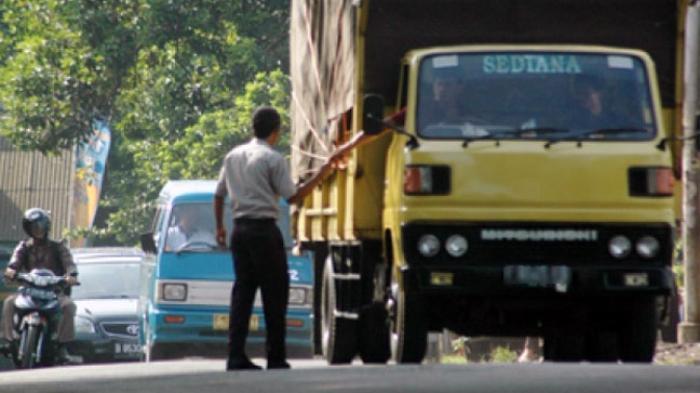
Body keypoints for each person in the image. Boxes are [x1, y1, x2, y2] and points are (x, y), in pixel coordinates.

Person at [214, 106, 340, 371]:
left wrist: (220, 228)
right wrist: (324, 172)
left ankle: (235, 355)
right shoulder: (272, 159)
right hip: (263, 231)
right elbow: (293, 196)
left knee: (243, 293)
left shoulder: (232, 156)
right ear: (275, 132)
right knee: (275, 293)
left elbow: (219, 194)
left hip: (239, 230)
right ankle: (275, 356)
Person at [0, 208, 79, 361]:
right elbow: (14, 263)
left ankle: (62, 346)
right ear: (27, 228)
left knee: (69, 306)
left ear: (47, 227)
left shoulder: (58, 247)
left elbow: (69, 263)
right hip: (29, 291)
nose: (37, 230)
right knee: (9, 303)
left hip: (54, 292)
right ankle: (8, 340)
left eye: (40, 226)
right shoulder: (23, 246)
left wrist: (71, 275)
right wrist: (11, 271)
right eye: (33, 227)